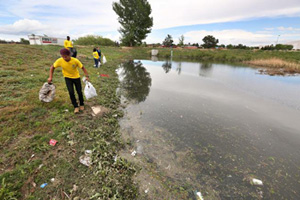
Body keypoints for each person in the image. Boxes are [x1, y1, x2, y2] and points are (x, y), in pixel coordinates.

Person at [48, 48, 89, 114]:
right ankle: (75, 106)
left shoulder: (75, 60)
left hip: (76, 78)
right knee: (71, 92)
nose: (64, 58)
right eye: (62, 56)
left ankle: (81, 104)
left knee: (79, 91)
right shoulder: (60, 60)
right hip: (67, 78)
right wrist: (50, 77)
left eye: (65, 56)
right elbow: (52, 67)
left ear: (69, 55)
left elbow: (83, 67)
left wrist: (87, 76)